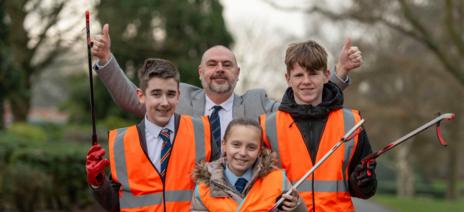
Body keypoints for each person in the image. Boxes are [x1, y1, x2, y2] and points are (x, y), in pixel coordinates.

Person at [91, 24, 362, 152]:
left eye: (226, 64)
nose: (219, 69)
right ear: (200, 73)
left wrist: (339, 74)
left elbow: (306, 107)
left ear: (237, 74)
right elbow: (132, 100)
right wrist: (106, 60)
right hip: (190, 211)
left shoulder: (257, 104)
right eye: (212, 64)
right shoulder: (180, 98)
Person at [85, 58, 213, 212]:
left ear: (179, 96)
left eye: (171, 94)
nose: (164, 102)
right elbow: (118, 204)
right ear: (141, 95)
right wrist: (98, 182)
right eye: (156, 94)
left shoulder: (202, 132)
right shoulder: (121, 143)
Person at [259, 41, 377, 212]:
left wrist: (362, 181)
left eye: (313, 74)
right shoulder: (268, 126)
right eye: (299, 75)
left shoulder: (351, 123)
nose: (306, 81)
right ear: (288, 78)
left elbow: (366, 189)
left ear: (326, 75)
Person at [187, 118, 310, 212]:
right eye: (236, 145)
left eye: (251, 147)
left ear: (260, 150)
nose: (242, 153)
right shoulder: (205, 187)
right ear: (224, 145)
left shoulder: (277, 180)